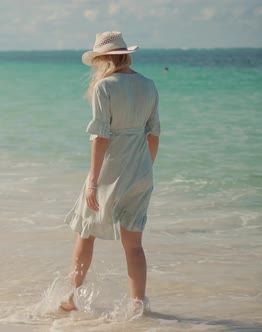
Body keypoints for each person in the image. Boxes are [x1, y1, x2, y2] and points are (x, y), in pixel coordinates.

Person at [61, 31, 160, 313]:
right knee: (134, 245)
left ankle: (70, 298)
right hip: (141, 170)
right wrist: (145, 170)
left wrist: (93, 181)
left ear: (102, 59)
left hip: (110, 171)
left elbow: (101, 137)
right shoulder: (149, 85)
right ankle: (138, 306)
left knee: (85, 233)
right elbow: (154, 134)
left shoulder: (105, 86)